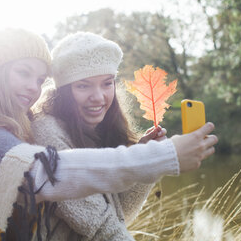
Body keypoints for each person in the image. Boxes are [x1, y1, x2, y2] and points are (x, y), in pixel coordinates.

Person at [0, 28, 218, 241]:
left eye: (40, 79)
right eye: (23, 73)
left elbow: (111, 215)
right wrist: (163, 157)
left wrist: (147, 169)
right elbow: (55, 173)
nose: (33, 87)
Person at [32, 31, 169, 240]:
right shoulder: (46, 133)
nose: (98, 97)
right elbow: (101, 227)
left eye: (107, 83)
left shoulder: (99, 131)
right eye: (83, 85)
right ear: (64, 91)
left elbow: (118, 216)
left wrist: (143, 160)